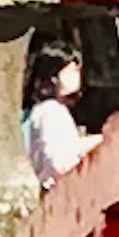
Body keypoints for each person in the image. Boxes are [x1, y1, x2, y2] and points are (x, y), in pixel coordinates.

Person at [25, 49, 91, 186]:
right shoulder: (51, 111)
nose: (77, 77)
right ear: (53, 77)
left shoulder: (50, 110)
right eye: (71, 71)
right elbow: (61, 163)